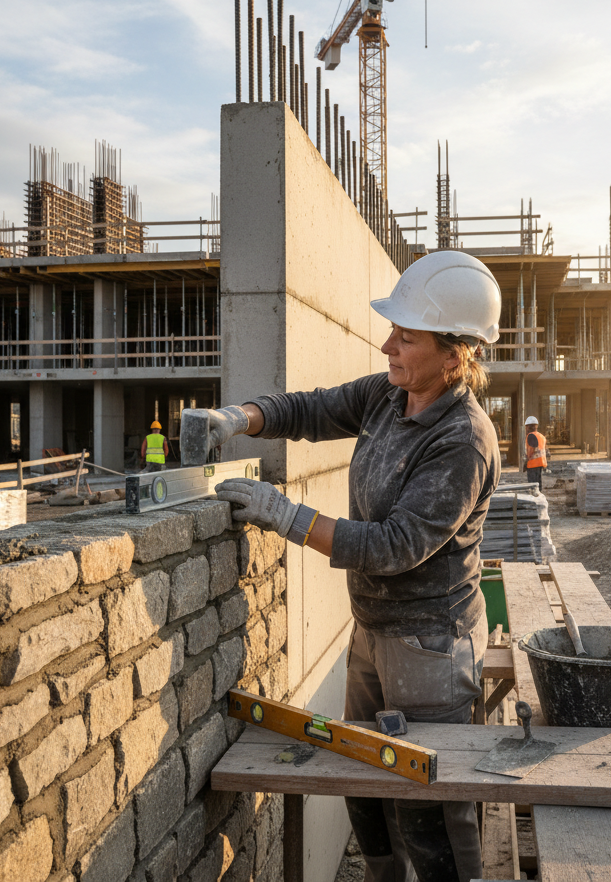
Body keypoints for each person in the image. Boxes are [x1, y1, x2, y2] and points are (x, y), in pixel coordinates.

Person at [209, 250, 502, 882]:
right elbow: (313, 409)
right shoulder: (387, 396)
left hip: (430, 647)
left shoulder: (463, 439)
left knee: (429, 813)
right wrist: (238, 418)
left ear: (454, 356)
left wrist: (284, 516)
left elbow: (396, 546)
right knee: (365, 791)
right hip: (371, 632)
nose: (388, 344)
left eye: (406, 335)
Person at [525, 415, 547, 489]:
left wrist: (526, 462)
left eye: (526, 427)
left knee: (532, 485)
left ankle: (534, 498)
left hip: (533, 464)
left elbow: (531, 450)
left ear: (528, 427)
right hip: (541, 463)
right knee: (538, 483)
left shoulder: (530, 435)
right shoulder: (541, 436)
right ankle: (539, 497)